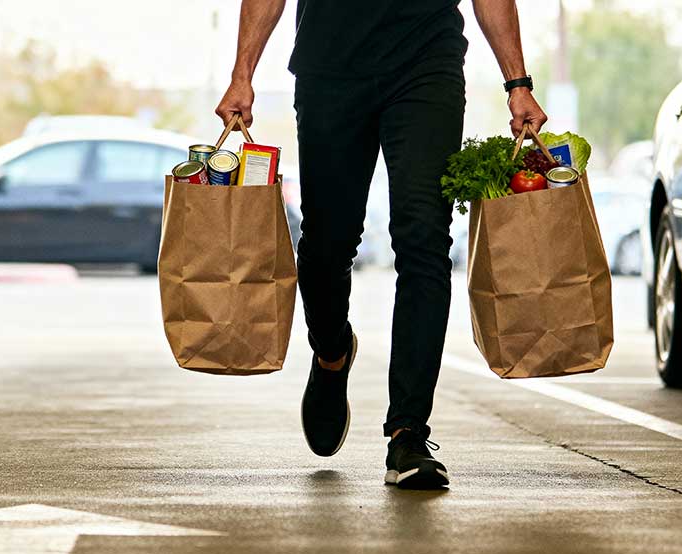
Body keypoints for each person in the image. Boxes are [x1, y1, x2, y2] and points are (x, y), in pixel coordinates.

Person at [216, 0, 548, 489]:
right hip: (329, 67)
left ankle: (408, 433)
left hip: (425, 64)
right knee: (326, 244)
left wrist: (518, 82)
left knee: (423, 239)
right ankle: (332, 354)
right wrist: (243, 72)